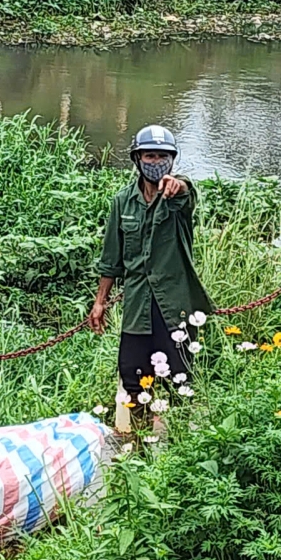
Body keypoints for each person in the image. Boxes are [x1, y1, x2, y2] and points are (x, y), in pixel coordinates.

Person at [91, 125, 213, 421]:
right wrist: (100, 301)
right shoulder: (122, 202)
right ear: (137, 159)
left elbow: (186, 191)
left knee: (180, 380)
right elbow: (111, 259)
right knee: (133, 378)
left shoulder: (177, 198)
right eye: (149, 156)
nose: (156, 162)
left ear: (172, 160)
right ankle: (138, 447)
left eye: (163, 156)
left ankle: (180, 449)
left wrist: (178, 184)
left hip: (174, 307)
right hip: (137, 308)